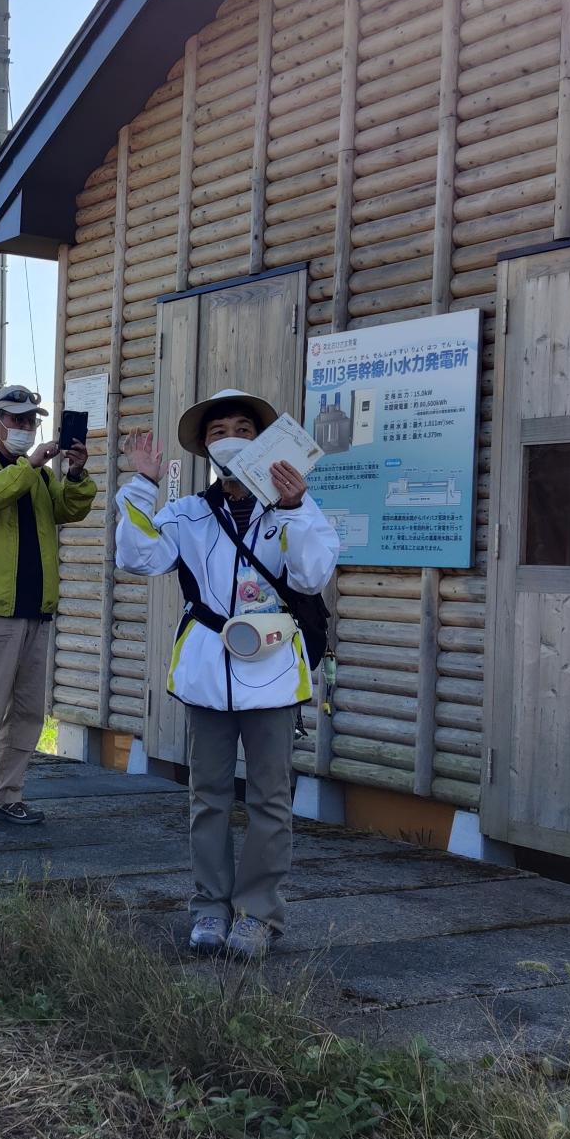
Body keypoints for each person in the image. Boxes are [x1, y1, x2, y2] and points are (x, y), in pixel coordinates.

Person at [117, 388, 339, 960]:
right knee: (208, 796)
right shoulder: (188, 513)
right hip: (207, 672)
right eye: (219, 432)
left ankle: (258, 914)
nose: (231, 438)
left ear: (262, 441)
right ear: (205, 449)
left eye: (243, 427)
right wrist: (142, 484)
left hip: (273, 669)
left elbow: (313, 575)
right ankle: (210, 908)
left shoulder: (290, 507)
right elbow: (137, 557)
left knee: (271, 799)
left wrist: (295, 507)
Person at [0, 385, 95, 830]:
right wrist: (30, 466)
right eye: (16, 420)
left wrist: (74, 474)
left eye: (32, 420)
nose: (26, 428)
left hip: (35, 610)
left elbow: (69, 510)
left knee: (28, 711)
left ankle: (6, 793)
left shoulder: (41, 477)